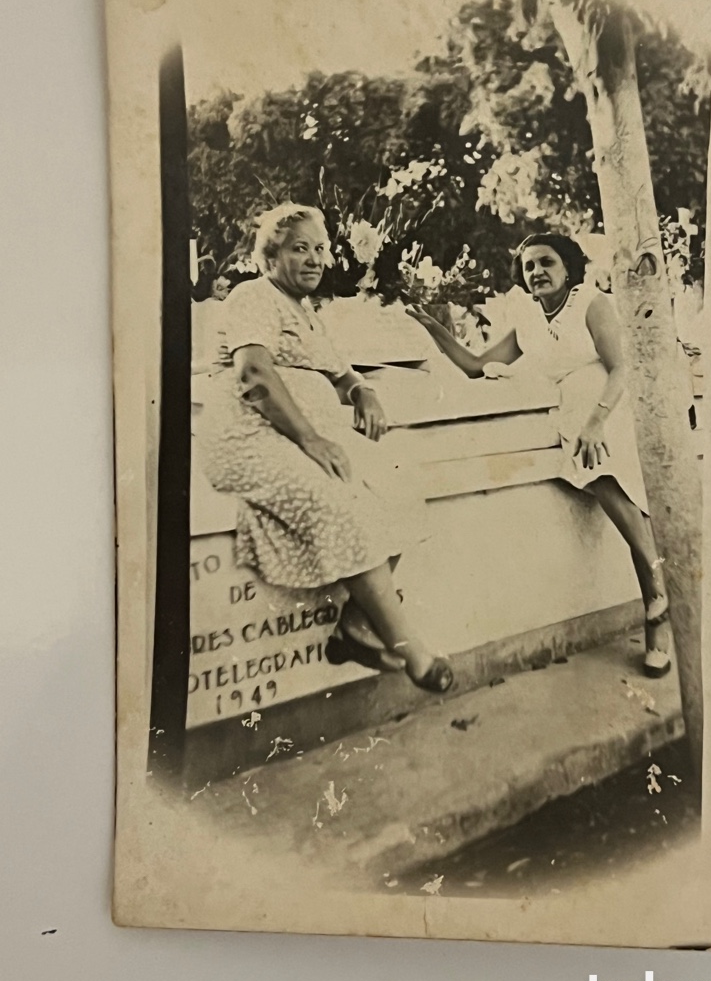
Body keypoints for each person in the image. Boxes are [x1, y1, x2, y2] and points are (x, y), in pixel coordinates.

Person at [196, 202, 453, 694]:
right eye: (300, 249)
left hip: (301, 434)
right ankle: (413, 651)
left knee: (398, 484)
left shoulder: (306, 312)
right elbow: (253, 373)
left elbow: (341, 371)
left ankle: (356, 627)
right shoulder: (254, 296)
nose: (315, 259)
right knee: (338, 502)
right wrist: (310, 439)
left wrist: (363, 392)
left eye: (321, 249)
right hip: (250, 434)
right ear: (270, 257)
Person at [408, 232, 671, 678]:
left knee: (607, 473)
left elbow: (622, 366)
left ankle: (658, 610)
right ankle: (658, 602)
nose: (537, 272)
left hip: (609, 407)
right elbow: (476, 365)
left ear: (568, 267)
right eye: (529, 266)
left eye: (546, 262)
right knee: (611, 485)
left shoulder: (591, 303)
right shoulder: (526, 318)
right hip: (571, 411)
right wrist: (435, 331)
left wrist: (596, 421)